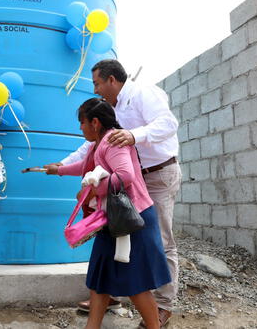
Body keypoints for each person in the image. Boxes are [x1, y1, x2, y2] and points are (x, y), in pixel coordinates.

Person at [46, 59, 181, 327]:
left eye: (97, 83)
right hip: (122, 197)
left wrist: (134, 136)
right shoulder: (108, 118)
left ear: (111, 80)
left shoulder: (143, 95)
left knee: (157, 248)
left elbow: (168, 124)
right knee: (106, 268)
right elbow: (88, 153)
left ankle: (163, 307)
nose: (95, 89)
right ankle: (110, 300)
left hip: (155, 176)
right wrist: (60, 168)